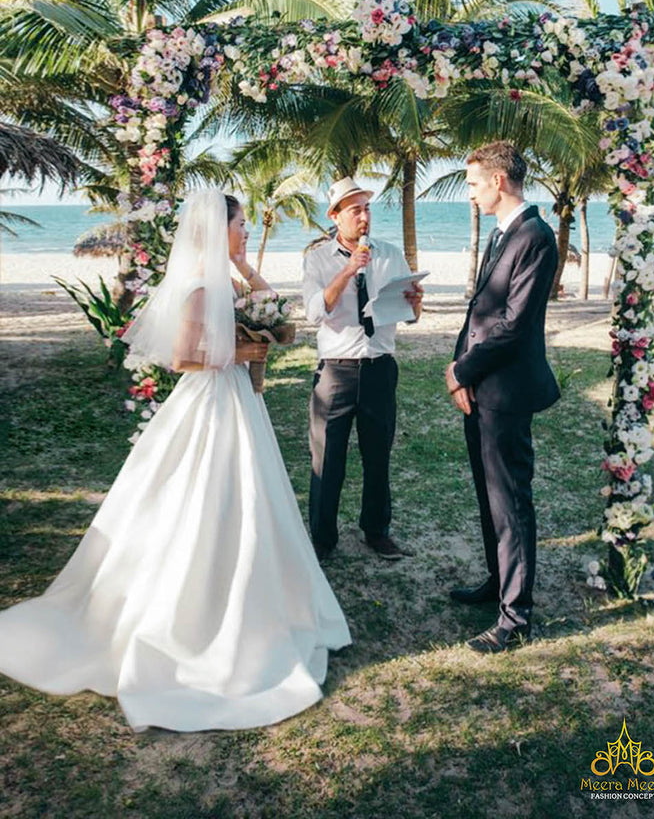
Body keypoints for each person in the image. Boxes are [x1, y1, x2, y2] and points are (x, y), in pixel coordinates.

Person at [0, 189, 350, 731]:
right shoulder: (196, 289)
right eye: (239, 226)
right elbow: (184, 357)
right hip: (210, 403)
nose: (246, 233)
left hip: (236, 399)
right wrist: (242, 352)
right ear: (218, 228)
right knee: (204, 497)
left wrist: (241, 266)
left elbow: (274, 302)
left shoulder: (226, 278)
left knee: (250, 496)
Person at [445, 142, 560, 653]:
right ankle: (498, 583)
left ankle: (515, 618)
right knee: (489, 498)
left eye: (473, 184)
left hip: (507, 392)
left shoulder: (535, 236)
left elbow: (513, 325)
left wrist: (460, 370)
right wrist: (462, 371)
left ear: (497, 181)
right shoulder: (502, 233)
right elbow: (481, 311)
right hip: (481, 389)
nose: (469, 194)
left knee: (511, 502)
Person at [302, 176, 423, 562]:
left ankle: (377, 531)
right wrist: (348, 269)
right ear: (335, 216)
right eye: (355, 210)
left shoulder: (389, 253)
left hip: (379, 367)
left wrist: (415, 302)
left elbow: (410, 316)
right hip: (336, 371)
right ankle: (322, 538)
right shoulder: (317, 259)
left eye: (367, 208)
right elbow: (313, 311)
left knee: (378, 455)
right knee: (327, 459)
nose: (364, 216)